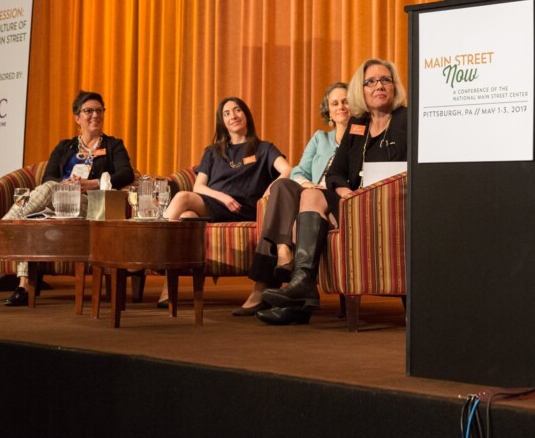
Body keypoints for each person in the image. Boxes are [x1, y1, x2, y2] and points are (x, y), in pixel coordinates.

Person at [257, 59, 408, 325]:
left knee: (313, 218)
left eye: (385, 80)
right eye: (370, 81)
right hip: (351, 200)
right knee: (311, 195)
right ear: (360, 90)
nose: (378, 86)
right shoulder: (357, 124)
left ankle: (300, 302)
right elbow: (336, 171)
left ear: (394, 86)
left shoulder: (406, 119)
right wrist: (346, 192)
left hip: (388, 204)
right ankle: (303, 282)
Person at [0, 91, 135, 306]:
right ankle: (24, 286)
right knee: (32, 218)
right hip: (56, 202)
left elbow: (126, 174)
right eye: (88, 111)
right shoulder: (65, 147)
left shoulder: (113, 145)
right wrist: (64, 186)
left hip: (89, 204)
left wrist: (91, 183)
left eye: (99, 111)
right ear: (77, 118)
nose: (95, 115)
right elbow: (49, 177)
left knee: (47, 191)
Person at [158, 96, 291, 306]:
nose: (233, 116)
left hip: (245, 207)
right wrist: (223, 197)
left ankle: (152, 248)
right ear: (222, 121)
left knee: (182, 198)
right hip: (216, 204)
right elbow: (198, 187)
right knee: (187, 216)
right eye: (226, 113)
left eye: (237, 110)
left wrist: (269, 190)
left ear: (246, 115)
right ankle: (168, 286)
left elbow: (287, 170)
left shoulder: (263, 148)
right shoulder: (213, 151)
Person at [233, 82, 351, 316]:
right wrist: (309, 185)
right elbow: (298, 172)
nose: (341, 107)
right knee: (282, 186)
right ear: (328, 111)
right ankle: (283, 250)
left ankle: (263, 289)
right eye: (335, 103)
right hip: (311, 191)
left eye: (346, 101)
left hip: (333, 198)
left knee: (285, 214)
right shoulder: (320, 139)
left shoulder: (360, 139)